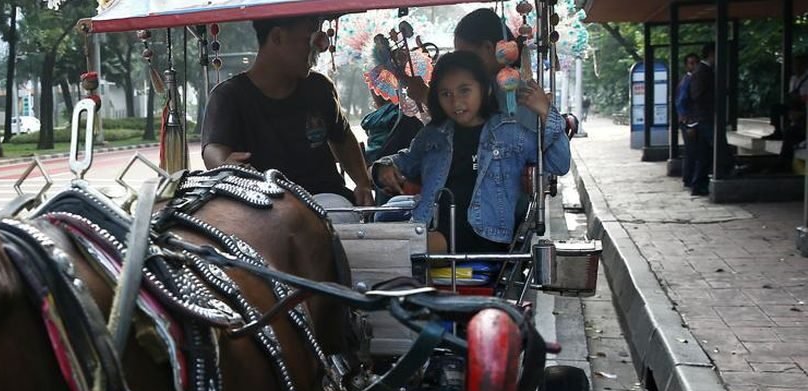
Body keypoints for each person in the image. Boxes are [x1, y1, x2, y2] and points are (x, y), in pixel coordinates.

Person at [370, 51, 571, 253]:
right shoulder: (432, 135)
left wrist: (546, 112)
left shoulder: (509, 133)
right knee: (373, 242)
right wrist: (383, 168)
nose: (456, 102)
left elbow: (559, 164)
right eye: (445, 94)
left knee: (385, 251)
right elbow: (403, 161)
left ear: (484, 90)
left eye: (464, 90)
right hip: (430, 230)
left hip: (485, 237)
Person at [201, 16, 374, 205]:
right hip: (264, 204)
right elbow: (214, 149)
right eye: (309, 38)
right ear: (277, 36)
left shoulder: (320, 88)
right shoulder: (229, 96)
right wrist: (222, 165)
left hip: (325, 201)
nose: (319, 49)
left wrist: (363, 183)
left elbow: (342, 137)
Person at [403, 8, 539, 132]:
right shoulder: (502, 83)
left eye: (465, 56)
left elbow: (471, 135)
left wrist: (426, 97)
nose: (461, 64)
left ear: (488, 48)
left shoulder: (507, 89)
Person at [685, 43, 716, 196]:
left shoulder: (701, 72)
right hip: (703, 119)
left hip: (702, 118)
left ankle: (698, 184)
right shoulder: (702, 72)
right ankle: (699, 183)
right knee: (712, 150)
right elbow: (696, 96)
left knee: (704, 153)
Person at [764, 53, 808, 141]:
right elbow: (791, 94)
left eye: (799, 65)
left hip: (804, 108)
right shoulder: (793, 79)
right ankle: (777, 132)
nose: (796, 67)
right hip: (794, 104)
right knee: (775, 108)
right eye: (795, 65)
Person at [675, 53, 700, 188]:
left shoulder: (689, 79)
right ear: (687, 65)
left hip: (690, 120)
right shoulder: (688, 80)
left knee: (692, 151)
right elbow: (681, 101)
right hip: (689, 121)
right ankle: (689, 178)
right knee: (692, 151)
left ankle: (689, 177)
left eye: (696, 62)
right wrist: (686, 120)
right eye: (691, 63)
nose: (694, 66)